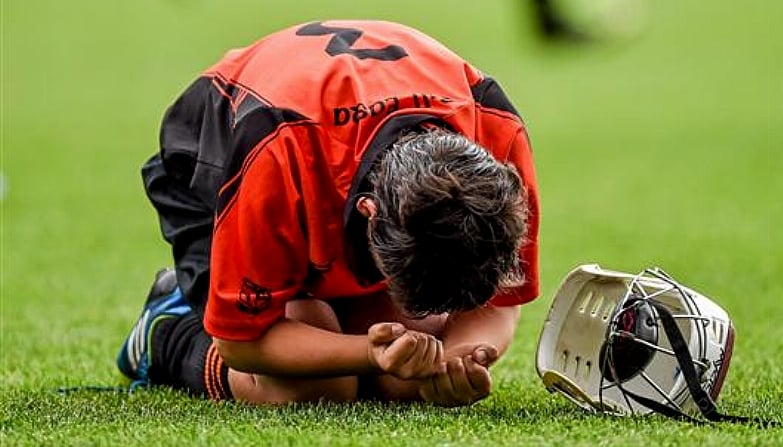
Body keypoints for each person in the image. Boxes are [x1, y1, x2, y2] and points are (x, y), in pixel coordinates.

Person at [116, 20, 540, 407]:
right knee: (316, 390)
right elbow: (242, 344)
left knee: (407, 380)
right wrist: (370, 353)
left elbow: (502, 300)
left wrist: (453, 361)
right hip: (219, 164)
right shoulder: (274, 152)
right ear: (370, 213)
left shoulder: (496, 138)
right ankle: (166, 330)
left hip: (332, 161)